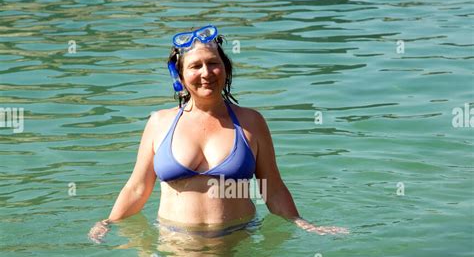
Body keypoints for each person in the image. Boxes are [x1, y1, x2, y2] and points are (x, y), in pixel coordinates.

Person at [88, 26, 348, 242]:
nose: (206, 73)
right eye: (195, 66)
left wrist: (301, 223)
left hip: (238, 242)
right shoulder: (160, 122)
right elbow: (137, 187)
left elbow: (273, 188)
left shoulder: (251, 122)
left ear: (226, 69)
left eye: (213, 64)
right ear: (179, 76)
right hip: (176, 243)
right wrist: (108, 222)